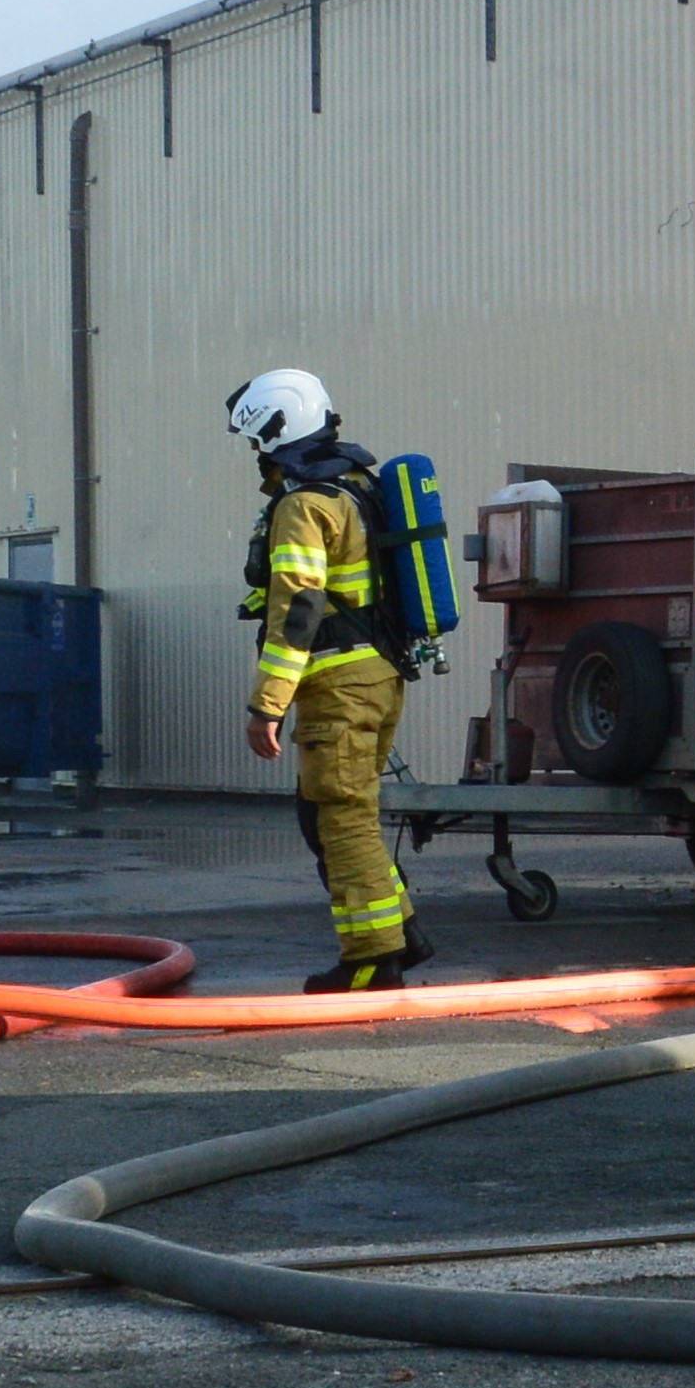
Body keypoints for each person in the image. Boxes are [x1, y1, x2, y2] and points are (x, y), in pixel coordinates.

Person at [227, 367, 426, 993]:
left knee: (342, 819)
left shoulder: (305, 505)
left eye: (255, 439)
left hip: (339, 685)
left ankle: (372, 959)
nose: (254, 454)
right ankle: (403, 934)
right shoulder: (355, 490)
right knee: (337, 815)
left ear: (274, 431)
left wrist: (267, 705)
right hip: (377, 676)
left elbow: (299, 609)